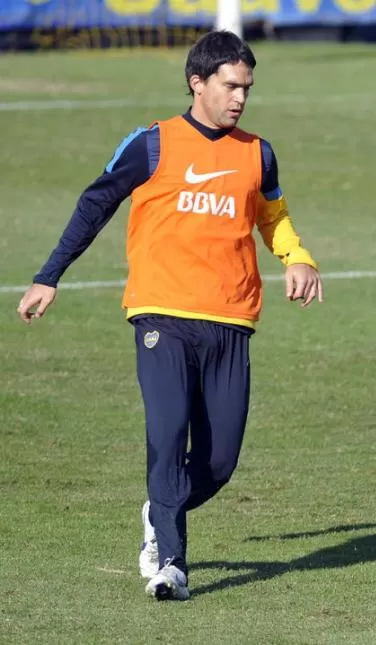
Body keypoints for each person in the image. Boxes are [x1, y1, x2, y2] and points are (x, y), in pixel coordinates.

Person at [16, 30, 323, 601]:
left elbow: (273, 216)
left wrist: (297, 257)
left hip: (231, 319)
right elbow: (96, 203)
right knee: (167, 431)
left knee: (220, 460)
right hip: (162, 314)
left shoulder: (258, 152)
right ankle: (172, 565)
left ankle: (159, 510)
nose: (240, 98)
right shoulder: (152, 144)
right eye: (231, 86)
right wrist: (49, 274)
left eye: (247, 89)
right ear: (197, 82)